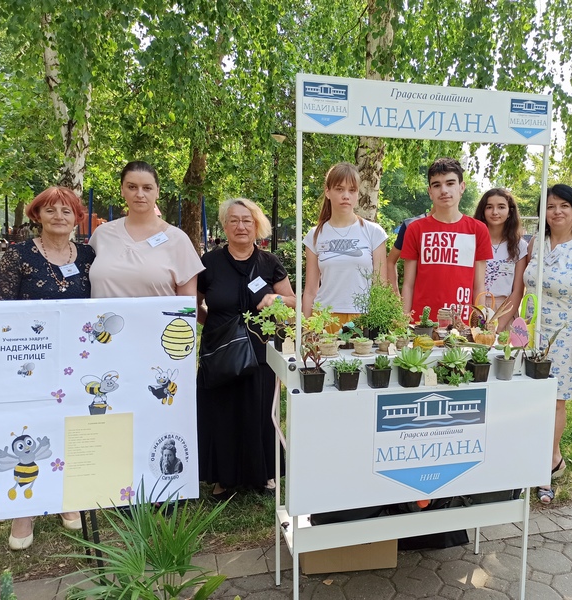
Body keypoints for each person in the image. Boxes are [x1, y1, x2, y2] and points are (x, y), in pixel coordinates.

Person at [0, 186, 95, 550]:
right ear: (37, 215)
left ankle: (69, 499)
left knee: (69, 424)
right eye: (50, 210)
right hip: (28, 359)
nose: (59, 217)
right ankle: (26, 510)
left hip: (74, 359)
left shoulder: (87, 256)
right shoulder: (18, 255)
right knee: (29, 427)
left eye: (67, 211)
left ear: (77, 218)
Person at [196, 198, 296, 500]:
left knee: (259, 410)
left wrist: (276, 302)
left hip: (260, 349)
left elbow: (293, 302)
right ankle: (223, 478)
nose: (241, 226)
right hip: (220, 348)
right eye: (234, 220)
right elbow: (194, 304)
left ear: (257, 225)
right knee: (221, 411)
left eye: (247, 220)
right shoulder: (209, 262)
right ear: (225, 226)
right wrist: (216, 325)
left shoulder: (269, 262)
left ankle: (263, 473)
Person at [523, 184, 572, 505]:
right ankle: (528, 457)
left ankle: (548, 464)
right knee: (527, 398)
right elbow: (522, 286)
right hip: (528, 334)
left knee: (555, 401)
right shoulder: (535, 244)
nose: (556, 212)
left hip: (565, 337)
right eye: (550, 206)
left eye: (563, 206)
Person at [88, 161, 203, 298]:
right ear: (122, 190)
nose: (140, 194)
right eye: (132, 187)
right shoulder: (102, 235)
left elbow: (187, 306)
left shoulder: (177, 239)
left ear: (157, 192)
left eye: (147, 188)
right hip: (104, 319)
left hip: (157, 320)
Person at [400, 157, 492, 323]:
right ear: (430, 191)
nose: (443, 190)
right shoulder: (416, 229)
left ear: (461, 187)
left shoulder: (478, 230)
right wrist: (403, 321)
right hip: (422, 324)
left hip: (462, 324)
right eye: (437, 185)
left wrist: (479, 324)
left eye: (450, 183)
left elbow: (478, 286)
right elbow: (408, 284)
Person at [302, 162, 387, 326]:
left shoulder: (374, 232)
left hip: (363, 318)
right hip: (324, 318)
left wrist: (380, 325)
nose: (346, 195)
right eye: (339, 189)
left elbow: (380, 286)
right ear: (328, 191)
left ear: (358, 193)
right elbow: (310, 290)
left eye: (352, 190)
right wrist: (305, 330)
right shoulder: (315, 235)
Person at [473, 188, 528, 330]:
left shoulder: (520, 246)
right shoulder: (473, 241)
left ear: (510, 212)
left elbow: (518, 291)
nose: (495, 212)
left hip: (506, 311)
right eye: (489, 207)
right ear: (483, 212)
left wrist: (499, 325)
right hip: (475, 307)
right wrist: (479, 317)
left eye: (501, 207)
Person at [386, 213, 427, 294]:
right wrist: (395, 296)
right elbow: (390, 261)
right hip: (416, 302)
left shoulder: (459, 225)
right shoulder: (410, 225)